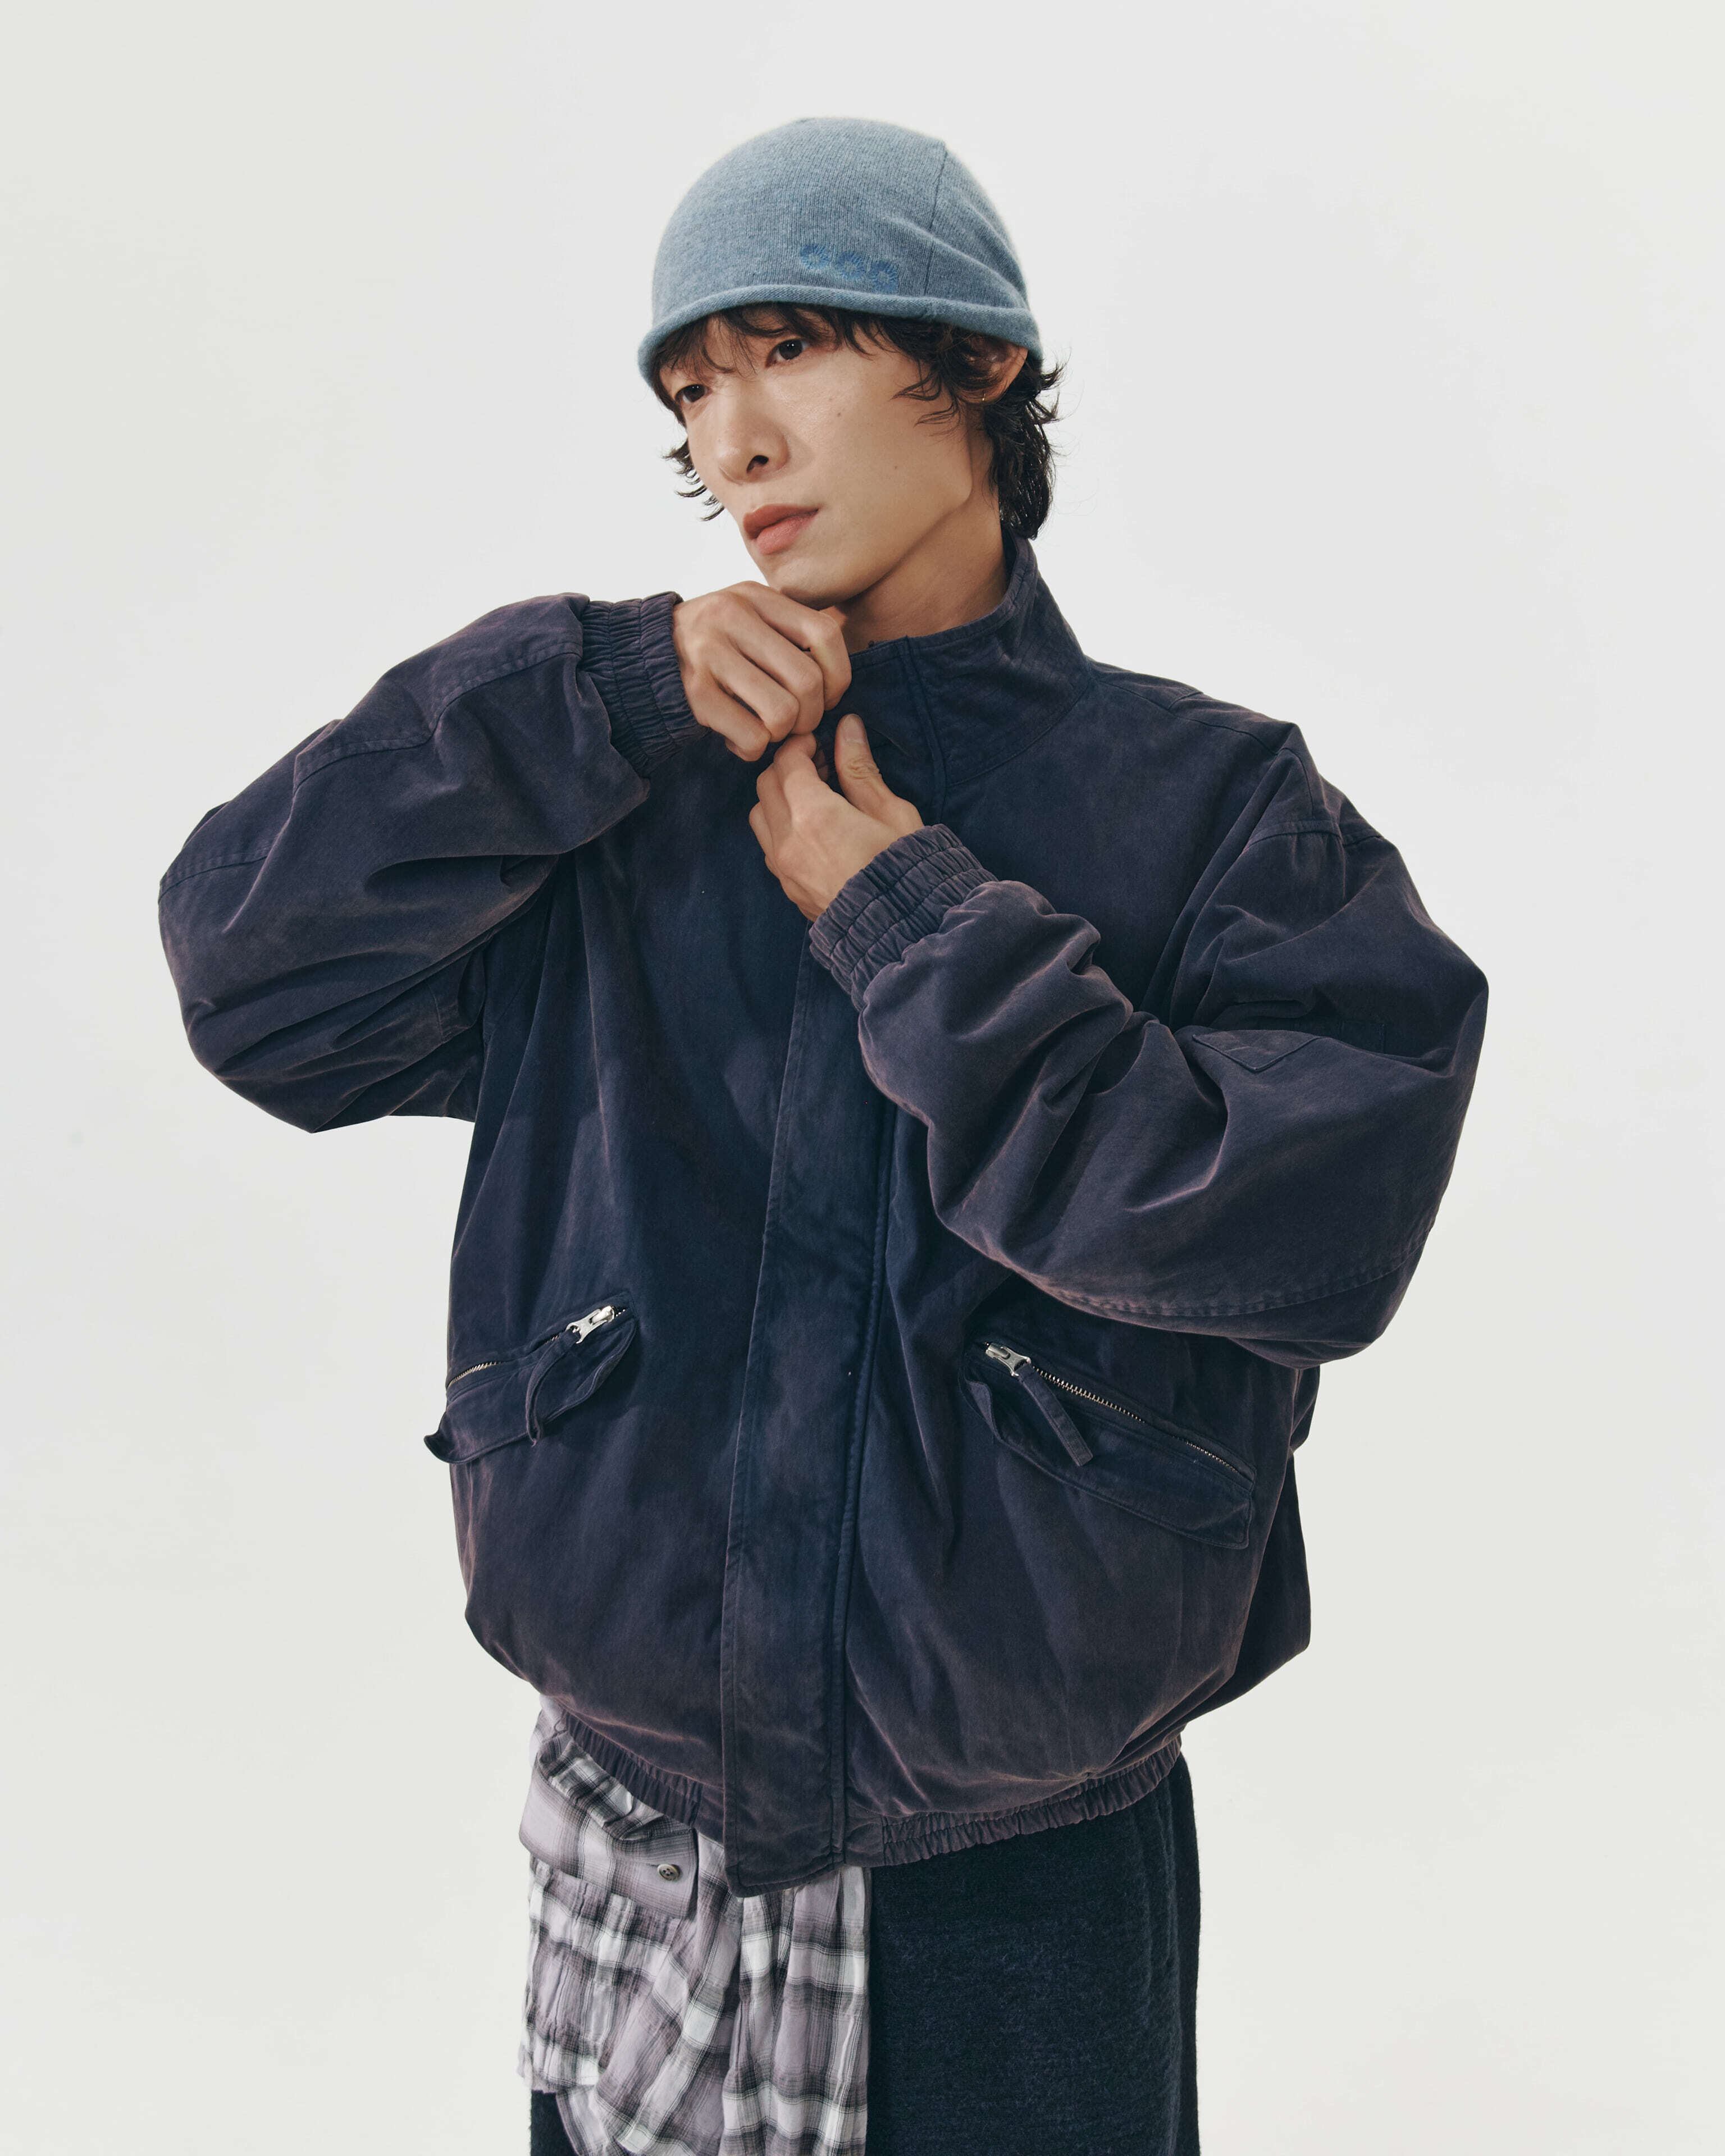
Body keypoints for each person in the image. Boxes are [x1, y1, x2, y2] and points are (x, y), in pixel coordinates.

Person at [157, 117, 1487, 2156]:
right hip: (628, 1814)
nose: (736, 436)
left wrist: (914, 930)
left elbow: (1310, 1232)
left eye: (787, 349)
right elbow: (257, 983)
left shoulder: (1215, 809)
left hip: (1022, 1869)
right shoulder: (619, 780)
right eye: (692, 392)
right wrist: (589, 689)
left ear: (976, 361)